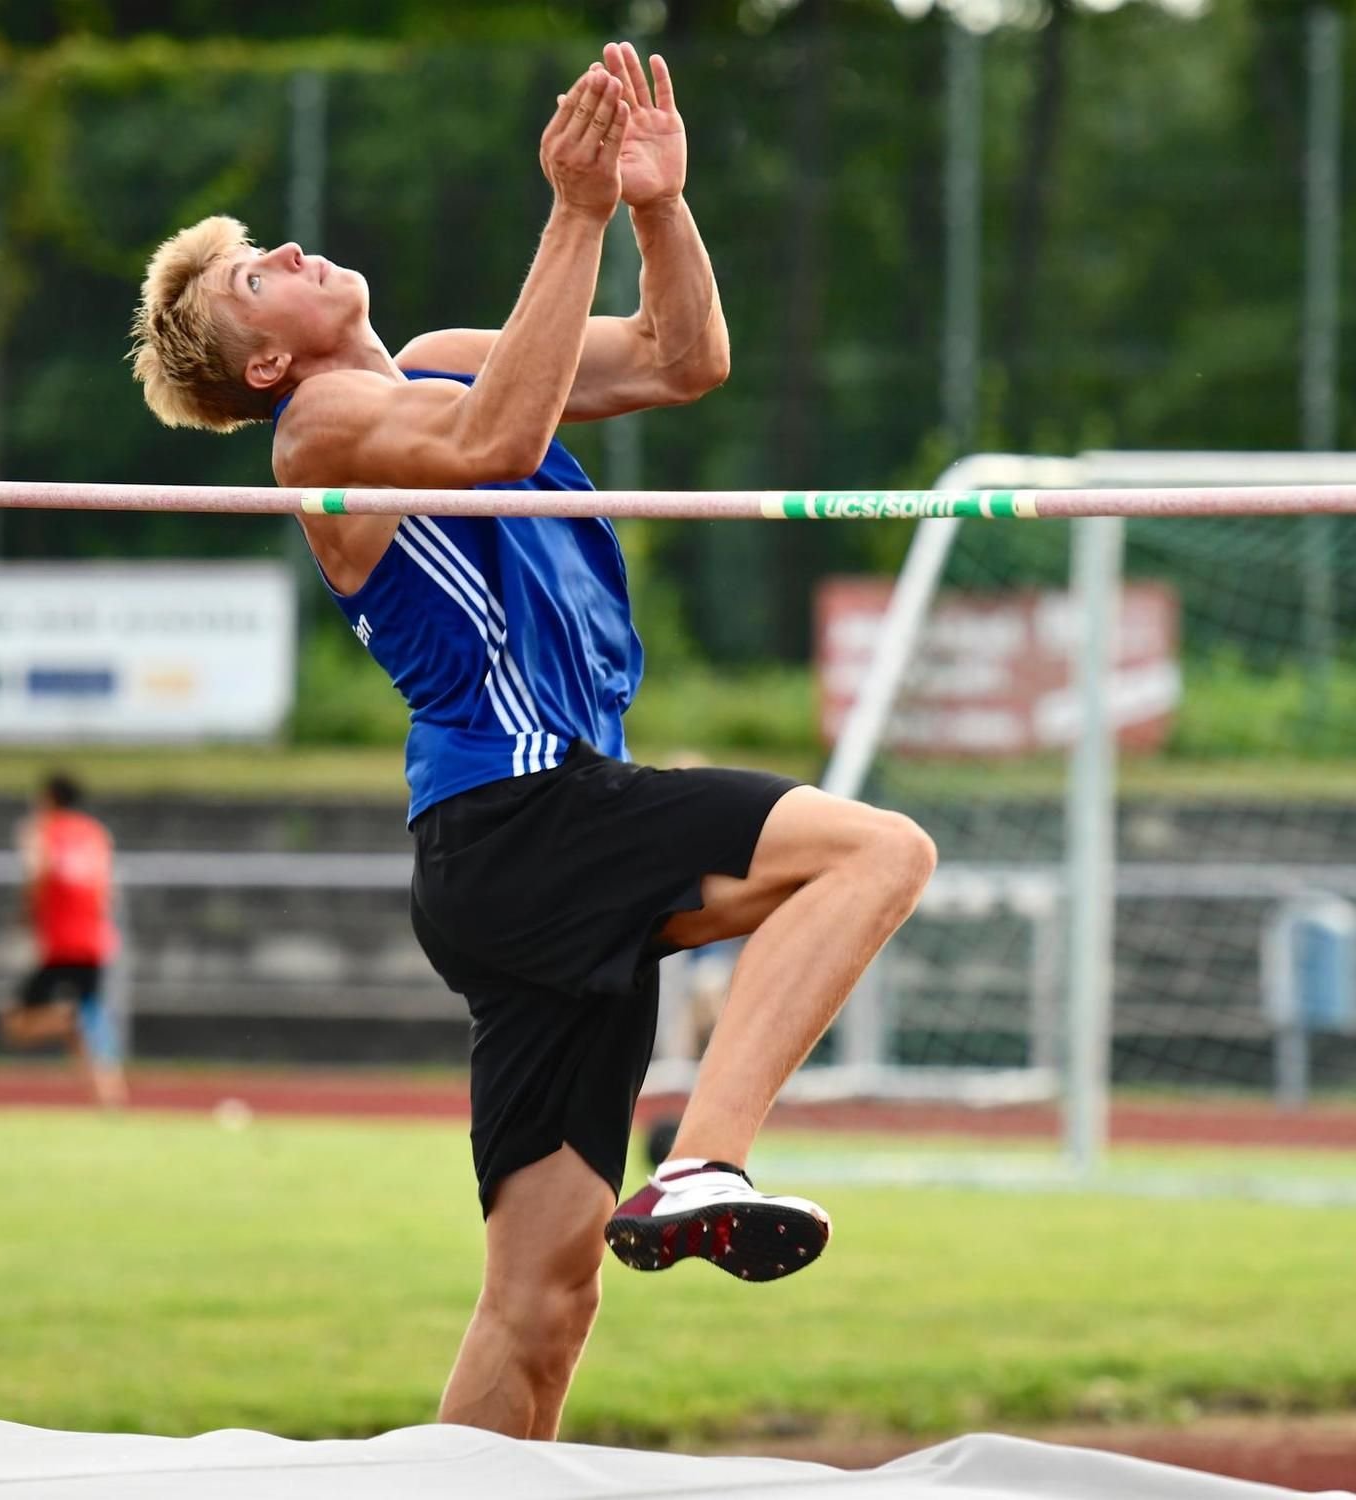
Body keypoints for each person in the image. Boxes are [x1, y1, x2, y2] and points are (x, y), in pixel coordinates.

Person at [128, 43, 935, 1439]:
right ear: (265, 357)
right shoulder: (316, 432)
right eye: (263, 270)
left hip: (523, 849)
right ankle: (707, 1161)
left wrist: (653, 209)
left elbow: (686, 361)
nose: (297, 249)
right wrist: (568, 214)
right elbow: (499, 448)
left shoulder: (440, 360)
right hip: (525, 817)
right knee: (876, 851)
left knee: (543, 1304)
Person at [0, 772, 129, 1110]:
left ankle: (68, 1018)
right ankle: (108, 1096)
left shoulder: (42, 831)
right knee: (92, 1023)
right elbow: (109, 889)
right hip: (95, 941)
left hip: (60, 943)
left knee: (16, 1023)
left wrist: (25, 918)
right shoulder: (96, 833)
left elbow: (37, 877)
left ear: (49, 799)